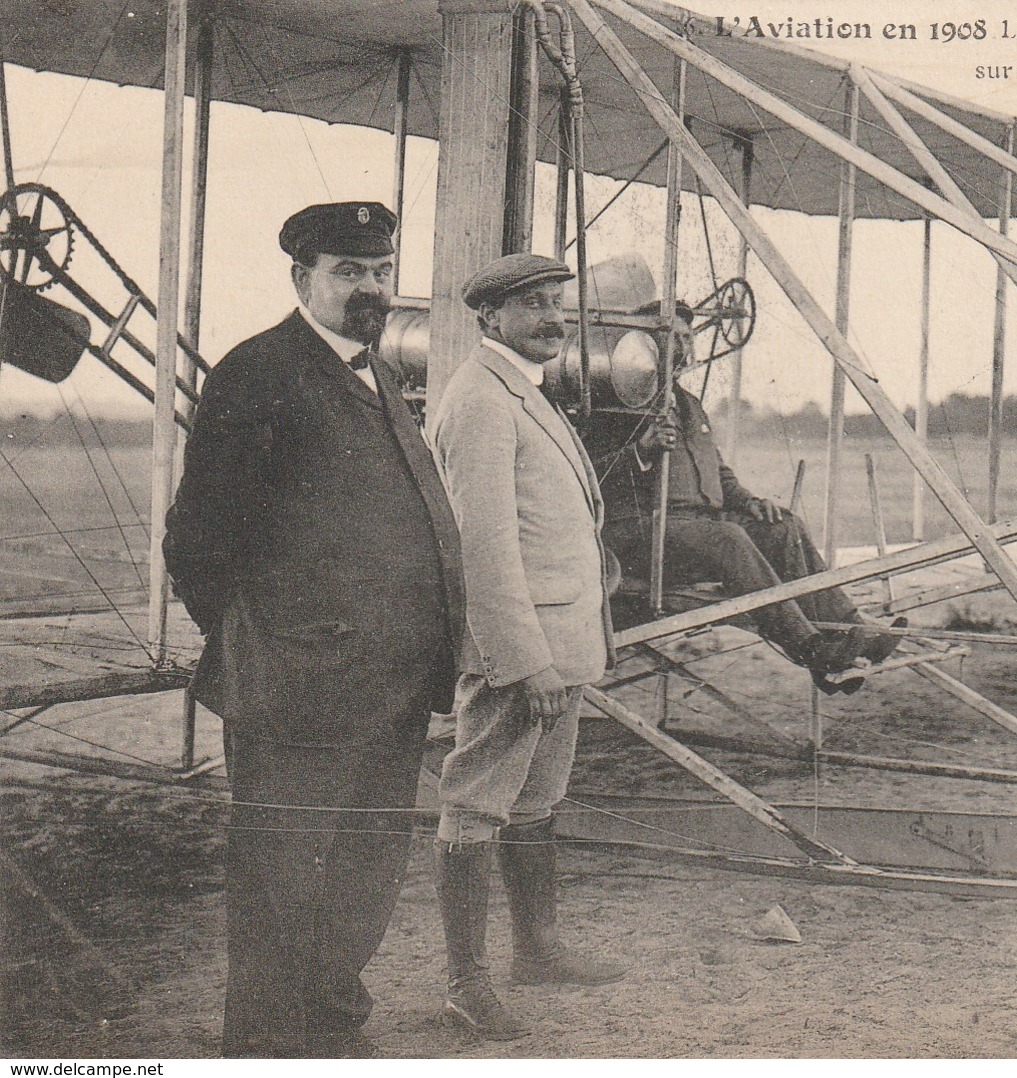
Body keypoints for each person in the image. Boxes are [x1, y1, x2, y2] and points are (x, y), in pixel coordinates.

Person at [164, 202, 464, 1056]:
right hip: (302, 686)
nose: (369, 288)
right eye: (347, 271)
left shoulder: (375, 373)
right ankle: (264, 1047)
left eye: (379, 271)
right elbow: (197, 539)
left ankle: (330, 1023)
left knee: (366, 868)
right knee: (281, 876)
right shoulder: (257, 373)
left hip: (390, 680)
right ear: (303, 279)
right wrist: (268, 638)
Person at [428, 253, 631, 1041]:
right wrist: (525, 659)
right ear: (490, 319)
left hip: (561, 639)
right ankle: (464, 982)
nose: (551, 317)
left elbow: (555, 517)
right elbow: (480, 547)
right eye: (533, 306)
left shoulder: (524, 391)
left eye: (557, 303)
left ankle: (537, 951)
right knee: (477, 805)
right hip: (522, 652)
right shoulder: (480, 399)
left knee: (537, 803)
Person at [583, 303, 899, 694]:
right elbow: (587, 476)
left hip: (695, 532)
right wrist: (641, 451)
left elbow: (718, 473)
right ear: (644, 344)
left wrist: (748, 502)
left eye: (687, 337)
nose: (683, 346)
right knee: (728, 538)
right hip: (639, 534)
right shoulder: (613, 401)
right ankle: (810, 647)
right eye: (672, 338)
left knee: (783, 526)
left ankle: (852, 631)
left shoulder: (689, 404)